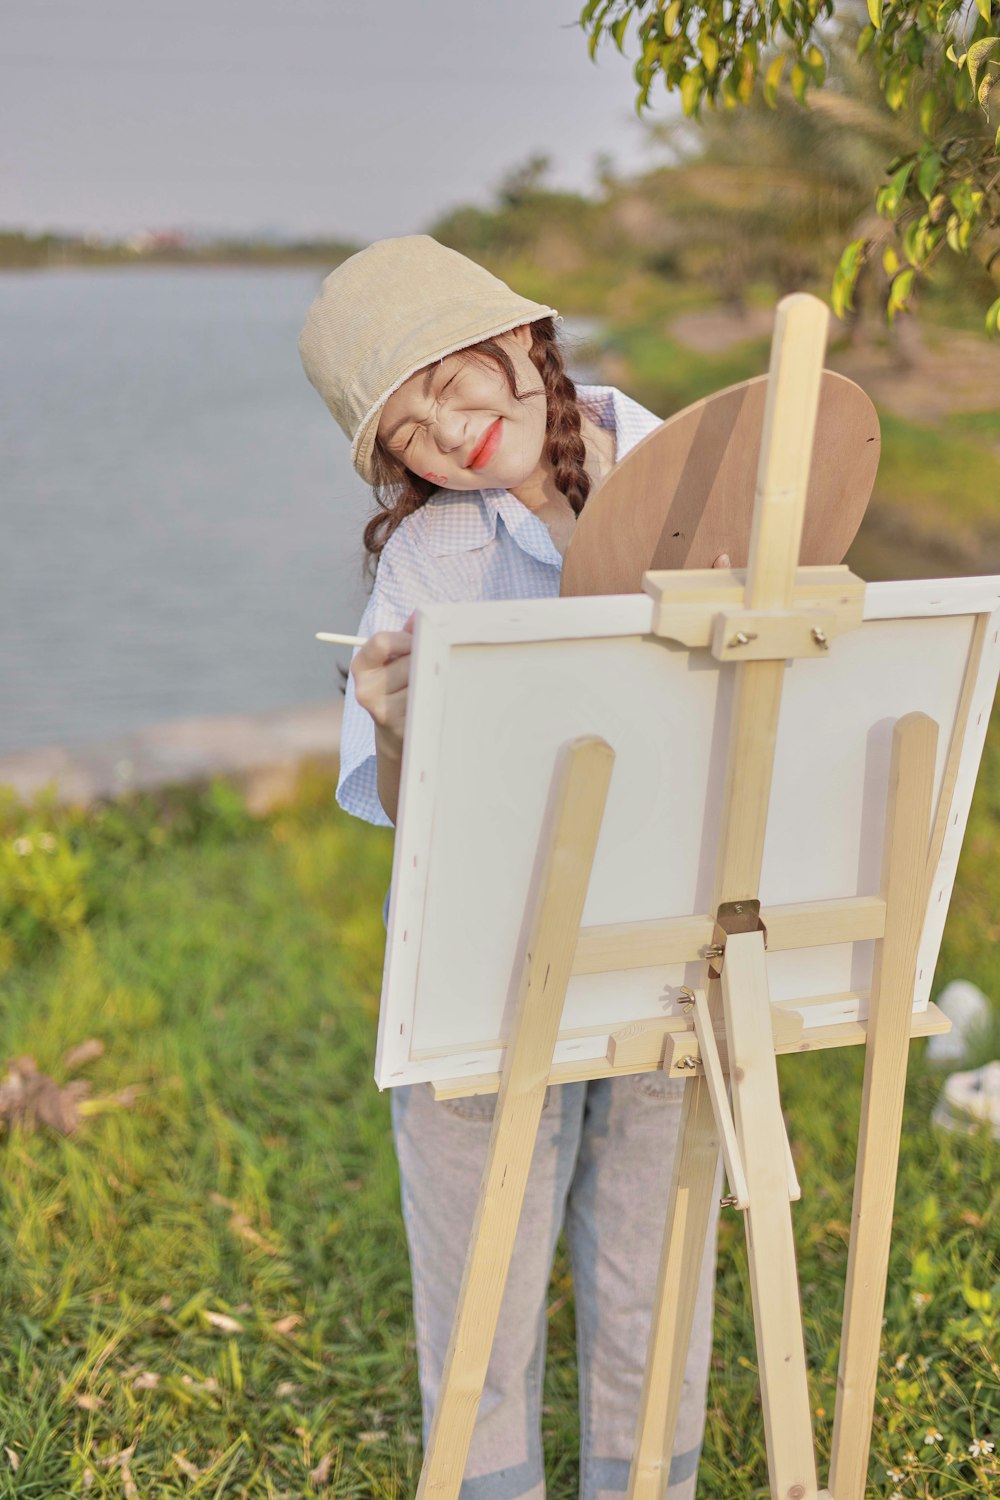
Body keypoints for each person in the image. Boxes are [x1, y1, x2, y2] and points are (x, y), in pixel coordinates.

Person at [299, 235, 720, 1500]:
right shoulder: (426, 559)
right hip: (485, 959)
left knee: (653, 1244)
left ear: (522, 340)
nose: (451, 427)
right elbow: (390, 785)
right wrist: (389, 716)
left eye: (453, 375)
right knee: (480, 1253)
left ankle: (643, 1479)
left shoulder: (676, 458)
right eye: (410, 430)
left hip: (667, 932)